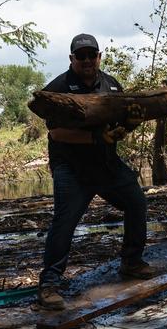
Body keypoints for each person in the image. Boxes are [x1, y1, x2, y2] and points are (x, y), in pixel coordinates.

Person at [35, 33, 153, 311]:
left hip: (107, 164)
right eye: (81, 56)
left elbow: (118, 129)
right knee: (65, 222)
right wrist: (97, 139)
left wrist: (132, 123)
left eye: (92, 55)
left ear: (99, 57)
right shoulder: (58, 89)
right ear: (72, 59)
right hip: (71, 168)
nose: (87, 60)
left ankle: (132, 261)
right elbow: (57, 132)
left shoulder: (111, 85)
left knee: (136, 202)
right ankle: (49, 285)